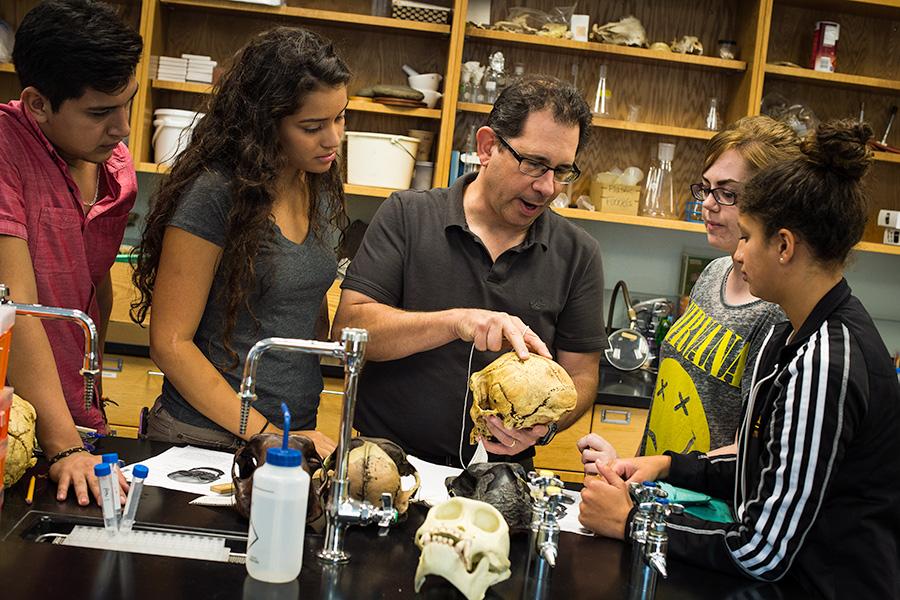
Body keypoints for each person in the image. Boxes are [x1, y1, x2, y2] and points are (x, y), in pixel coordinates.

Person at [578, 120, 900, 599]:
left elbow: (762, 551)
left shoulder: (824, 362)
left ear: (785, 246)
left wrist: (631, 522)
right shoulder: (789, 334)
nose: (739, 254)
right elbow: (760, 471)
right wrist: (671, 465)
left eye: (747, 236)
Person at [333, 75, 606, 468]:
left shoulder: (578, 254)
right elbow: (348, 333)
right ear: (487, 146)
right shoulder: (408, 216)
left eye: (562, 170)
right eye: (534, 164)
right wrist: (456, 322)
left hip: (501, 475)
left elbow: (582, 376)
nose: (547, 187)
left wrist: (543, 427)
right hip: (385, 462)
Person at [131, 27, 349, 458]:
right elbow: (170, 344)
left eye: (341, 116)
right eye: (312, 126)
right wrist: (269, 433)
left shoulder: (319, 183)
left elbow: (300, 298)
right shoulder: (215, 194)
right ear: (265, 125)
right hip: (205, 440)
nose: (333, 138)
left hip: (291, 435)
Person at [579, 116, 799, 471]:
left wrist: (660, 468)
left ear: (774, 203)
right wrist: (634, 465)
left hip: (704, 511)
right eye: (707, 188)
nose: (708, 204)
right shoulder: (713, 274)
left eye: (727, 193)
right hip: (658, 489)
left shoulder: (775, 311)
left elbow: (751, 450)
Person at [0, 0, 141, 505]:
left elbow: (92, 287)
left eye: (129, 102)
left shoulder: (116, 167)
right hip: (12, 415)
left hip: (74, 423)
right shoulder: (3, 150)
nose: (122, 128)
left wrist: (85, 407)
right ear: (38, 103)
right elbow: (15, 308)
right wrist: (62, 445)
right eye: (101, 112)